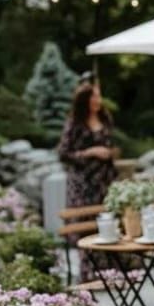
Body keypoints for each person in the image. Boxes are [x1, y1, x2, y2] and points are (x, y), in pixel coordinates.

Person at [58, 80, 119, 279]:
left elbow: (111, 144)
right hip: (83, 184)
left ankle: (109, 271)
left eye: (99, 96)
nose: (98, 100)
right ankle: (88, 272)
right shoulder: (74, 123)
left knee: (107, 223)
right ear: (85, 100)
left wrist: (109, 153)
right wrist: (90, 152)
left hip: (105, 182)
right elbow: (64, 153)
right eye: (94, 96)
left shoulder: (105, 119)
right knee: (87, 227)